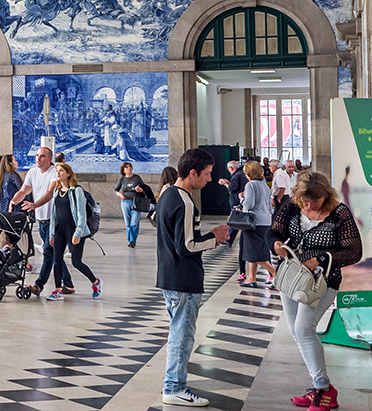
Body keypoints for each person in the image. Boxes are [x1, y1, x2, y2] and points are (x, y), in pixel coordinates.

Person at [270, 171, 362, 410]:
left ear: (326, 196)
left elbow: (353, 251)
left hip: (322, 282)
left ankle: (323, 389)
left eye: (315, 202)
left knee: (304, 329)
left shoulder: (340, 214)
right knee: (296, 332)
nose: (309, 205)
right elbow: (274, 230)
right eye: (305, 201)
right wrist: (276, 243)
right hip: (291, 278)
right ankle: (321, 388)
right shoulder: (291, 206)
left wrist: (321, 259)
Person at [155, 147, 231, 407]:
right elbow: (186, 246)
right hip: (183, 278)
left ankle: (174, 384)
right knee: (182, 335)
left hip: (170, 275)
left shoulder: (167, 195)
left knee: (178, 332)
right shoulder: (184, 201)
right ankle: (174, 387)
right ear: (192, 173)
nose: (209, 180)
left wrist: (208, 236)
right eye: (207, 174)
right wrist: (215, 238)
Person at [15, 147, 69, 294]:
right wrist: (13, 202)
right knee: (54, 253)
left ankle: (39, 285)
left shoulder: (55, 172)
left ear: (49, 159)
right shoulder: (32, 172)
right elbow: (23, 191)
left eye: (42, 156)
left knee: (48, 252)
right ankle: (69, 284)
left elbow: (50, 192)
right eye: (37, 156)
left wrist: (34, 205)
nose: (38, 158)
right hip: (42, 220)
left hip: (55, 220)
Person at [44, 163, 99, 300]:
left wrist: (78, 233)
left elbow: (81, 215)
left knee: (76, 262)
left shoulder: (76, 191)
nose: (58, 173)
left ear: (68, 173)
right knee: (57, 260)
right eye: (57, 171)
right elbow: (54, 215)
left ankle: (95, 282)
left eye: (61, 171)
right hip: (59, 231)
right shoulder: (57, 191)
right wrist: (52, 234)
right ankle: (58, 290)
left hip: (74, 230)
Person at [238, 161, 275, 288]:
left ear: (249, 173)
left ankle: (275, 273)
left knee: (252, 251)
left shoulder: (250, 185)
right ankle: (251, 278)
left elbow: (249, 205)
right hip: (265, 221)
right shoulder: (264, 186)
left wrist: (241, 199)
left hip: (254, 222)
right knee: (254, 250)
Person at [113, 161, 149, 248]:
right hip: (125, 202)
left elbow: (145, 188)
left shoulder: (137, 178)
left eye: (130, 167)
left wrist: (140, 190)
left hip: (136, 202)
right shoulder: (122, 179)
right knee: (128, 223)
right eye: (127, 167)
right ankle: (130, 240)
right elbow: (115, 190)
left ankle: (133, 240)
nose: (129, 168)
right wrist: (120, 195)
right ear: (123, 170)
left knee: (134, 223)